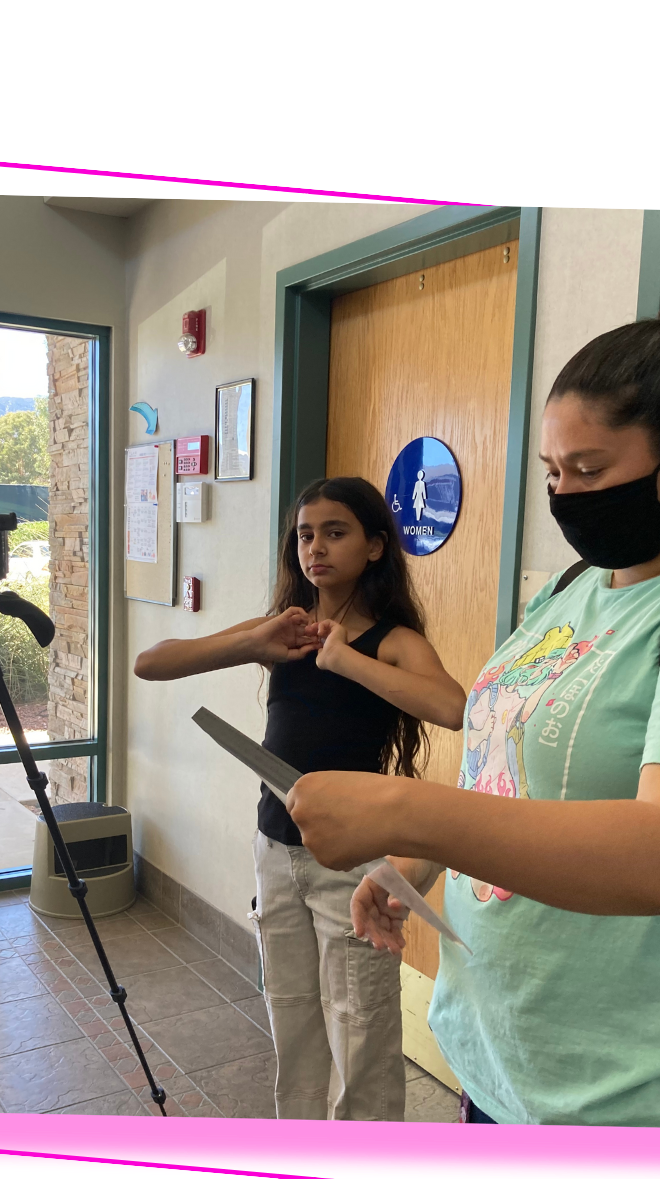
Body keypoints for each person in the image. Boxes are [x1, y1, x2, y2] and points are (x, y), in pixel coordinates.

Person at [281, 289, 660, 1132]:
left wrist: (408, 809)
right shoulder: (567, 590)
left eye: (588, 471)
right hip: (502, 1070)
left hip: (654, 1109)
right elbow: (512, 773)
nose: (563, 494)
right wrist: (415, 860)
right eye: (552, 472)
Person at [133, 477, 467, 1121]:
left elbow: (452, 708)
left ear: (375, 546)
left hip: (353, 864)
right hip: (275, 850)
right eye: (305, 535)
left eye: (335, 533)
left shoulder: (392, 641)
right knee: (291, 1017)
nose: (315, 547)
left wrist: (347, 661)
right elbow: (153, 662)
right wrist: (252, 643)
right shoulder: (285, 631)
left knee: (361, 1028)